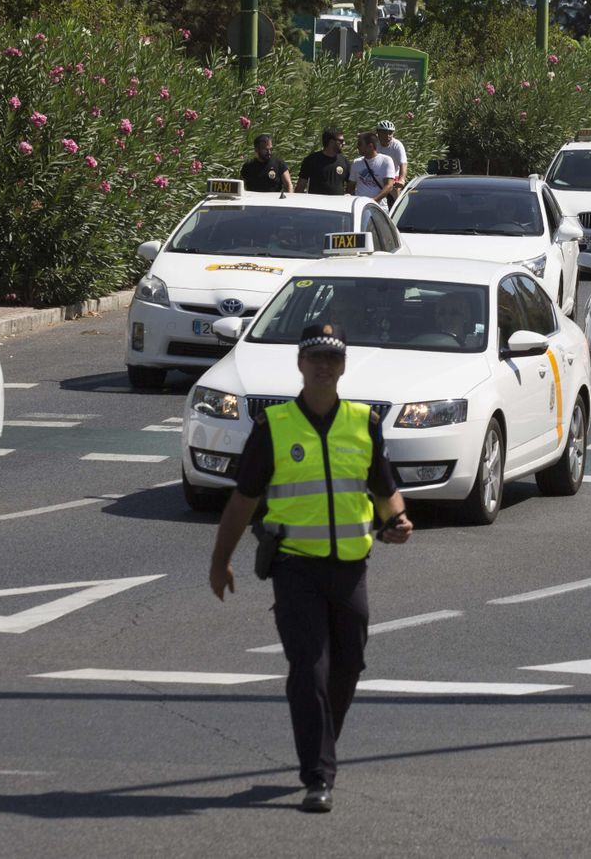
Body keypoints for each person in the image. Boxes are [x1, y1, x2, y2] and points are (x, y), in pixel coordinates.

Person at [207, 322, 413, 814]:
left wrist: (398, 521)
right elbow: (243, 500)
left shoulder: (363, 422)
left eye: (333, 358)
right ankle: (318, 775)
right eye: (316, 357)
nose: (324, 366)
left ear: (343, 366)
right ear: (300, 363)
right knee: (309, 667)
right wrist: (220, 561)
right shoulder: (274, 426)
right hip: (295, 568)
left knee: (348, 665)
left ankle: (322, 742)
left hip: (351, 568)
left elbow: (385, 489)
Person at [297, 127, 350, 195]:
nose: (344, 143)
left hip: (337, 202)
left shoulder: (344, 162)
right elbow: (301, 186)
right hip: (316, 201)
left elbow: (351, 185)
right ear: (331, 141)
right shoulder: (312, 160)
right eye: (341, 141)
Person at [350, 130, 398, 203]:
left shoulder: (385, 161)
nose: (357, 147)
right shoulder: (356, 163)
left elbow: (389, 186)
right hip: (360, 206)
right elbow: (351, 186)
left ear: (370, 146)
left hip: (379, 206)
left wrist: (373, 201)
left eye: (360, 144)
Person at [375, 119, 408, 193]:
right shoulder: (374, 143)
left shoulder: (397, 145)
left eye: (390, 133)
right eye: (384, 133)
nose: (387, 136)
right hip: (377, 177)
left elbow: (403, 163)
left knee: (395, 192)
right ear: (378, 133)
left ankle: (397, 200)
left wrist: (402, 179)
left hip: (393, 176)